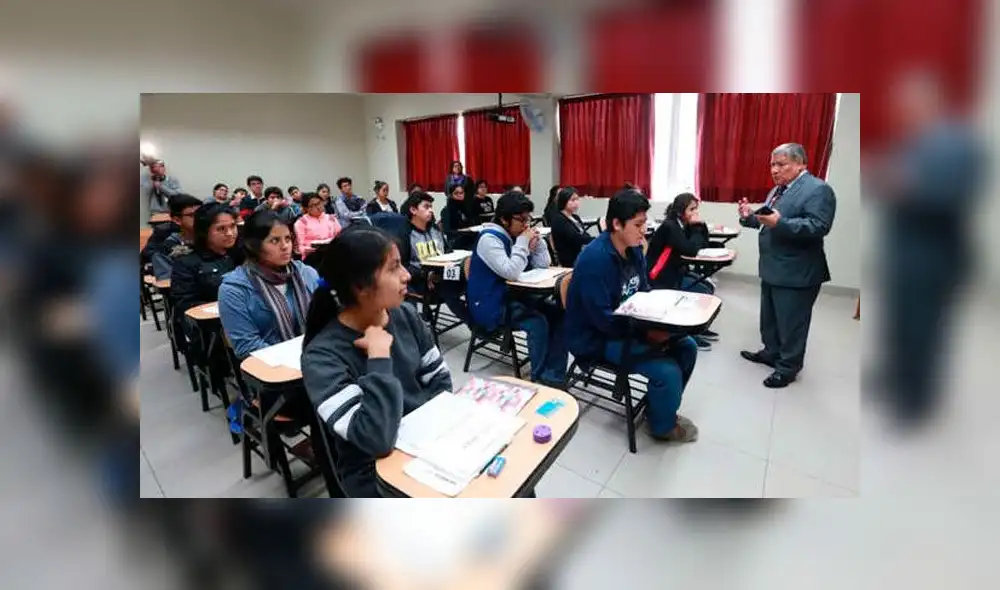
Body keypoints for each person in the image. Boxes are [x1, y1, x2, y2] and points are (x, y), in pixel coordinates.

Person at [301, 228, 452, 497]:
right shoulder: (321, 356)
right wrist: (379, 358)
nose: (407, 275)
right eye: (393, 268)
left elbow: (440, 381)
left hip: (425, 444)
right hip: (373, 473)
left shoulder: (406, 315)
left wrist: (430, 433)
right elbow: (376, 440)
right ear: (360, 286)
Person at [566, 189, 700, 442]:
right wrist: (647, 335)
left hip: (628, 325)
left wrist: (662, 320)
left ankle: (659, 409)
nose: (643, 231)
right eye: (638, 225)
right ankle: (662, 427)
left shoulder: (633, 249)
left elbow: (643, 291)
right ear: (617, 224)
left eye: (644, 223)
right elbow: (604, 321)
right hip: (597, 337)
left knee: (687, 347)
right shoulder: (595, 260)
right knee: (668, 372)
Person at [737, 143, 837, 388]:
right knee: (770, 319)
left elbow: (818, 226)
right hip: (772, 267)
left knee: (792, 324)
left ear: (801, 164)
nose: (774, 170)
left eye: (781, 164)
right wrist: (748, 216)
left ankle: (788, 367)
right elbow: (768, 219)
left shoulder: (818, 189)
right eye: (772, 164)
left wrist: (779, 223)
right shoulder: (778, 190)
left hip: (797, 272)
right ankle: (771, 352)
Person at [466, 191, 568, 387]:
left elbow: (543, 264)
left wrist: (538, 243)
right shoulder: (489, 239)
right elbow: (511, 272)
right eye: (521, 219)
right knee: (537, 323)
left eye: (528, 219)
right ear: (504, 219)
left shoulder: (515, 234)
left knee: (558, 312)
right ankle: (539, 379)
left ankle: (554, 374)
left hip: (513, 295)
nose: (526, 224)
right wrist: (522, 242)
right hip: (490, 304)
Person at [218, 211, 321, 360]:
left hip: (317, 355)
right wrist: (293, 358)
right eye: (274, 241)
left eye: (288, 238)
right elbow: (246, 345)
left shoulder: (306, 273)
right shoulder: (234, 289)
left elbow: (328, 318)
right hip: (271, 365)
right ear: (254, 246)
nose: (285, 246)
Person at [646, 192, 718, 351]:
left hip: (676, 272)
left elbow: (703, 243)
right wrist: (697, 227)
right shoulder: (670, 226)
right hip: (661, 277)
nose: (695, 213)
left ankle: (699, 327)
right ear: (680, 211)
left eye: (696, 209)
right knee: (700, 292)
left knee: (707, 287)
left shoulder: (682, 224)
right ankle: (690, 333)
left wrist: (700, 224)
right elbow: (691, 249)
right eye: (691, 209)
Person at [402, 190, 468, 323]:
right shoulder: (405, 234)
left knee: (470, 277)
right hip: (422, 281)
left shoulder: (435, 230)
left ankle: (480, 317)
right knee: (449, 289)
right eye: (426, 207)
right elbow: (404, 266)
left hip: (443, 274)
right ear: (413, 210)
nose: (431, 210)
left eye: (431, 207)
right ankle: (474, 323)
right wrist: (425, 274)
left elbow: (448, 252)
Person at [171, 203, 243, 318]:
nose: (230, 233)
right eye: (221, 229)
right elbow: (185, 304)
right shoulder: (186, 262)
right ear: (204, 231)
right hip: (214, 321)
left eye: (233, 226)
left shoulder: (243, 253)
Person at [151, 194, 202, 281]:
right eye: (193, 215)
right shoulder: (165, 250)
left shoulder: (215, 241)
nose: (200, 218)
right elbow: (167, 282)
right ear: (177, 220)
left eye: (202, 213)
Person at [549, 186, 593, 267]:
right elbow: (576, 238)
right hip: (570, 259)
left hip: (580, 254)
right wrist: (595, 240)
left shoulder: (576, 217)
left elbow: (585, 234)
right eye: (572, 200)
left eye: (577, 199)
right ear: (564, 201)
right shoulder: (559, 219)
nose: (576, 203)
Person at [294, 192, 342, 260]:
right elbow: (300, 245)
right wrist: (305, 250)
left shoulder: (331, 218)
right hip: (313, 256)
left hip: (333, 253)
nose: (318, 207)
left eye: (319, 203)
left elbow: (340, 235)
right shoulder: (301, 222)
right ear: (307, 209)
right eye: (312, 205)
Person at [440, 183, 477, 250]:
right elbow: (447, 231)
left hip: (469, 239)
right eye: (456, 193)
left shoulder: (466, 208)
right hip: (455, 242)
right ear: (451, 195)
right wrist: (463, 230)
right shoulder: (447, 210)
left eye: (461, 193)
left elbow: (471, 224)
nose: (459, 195)